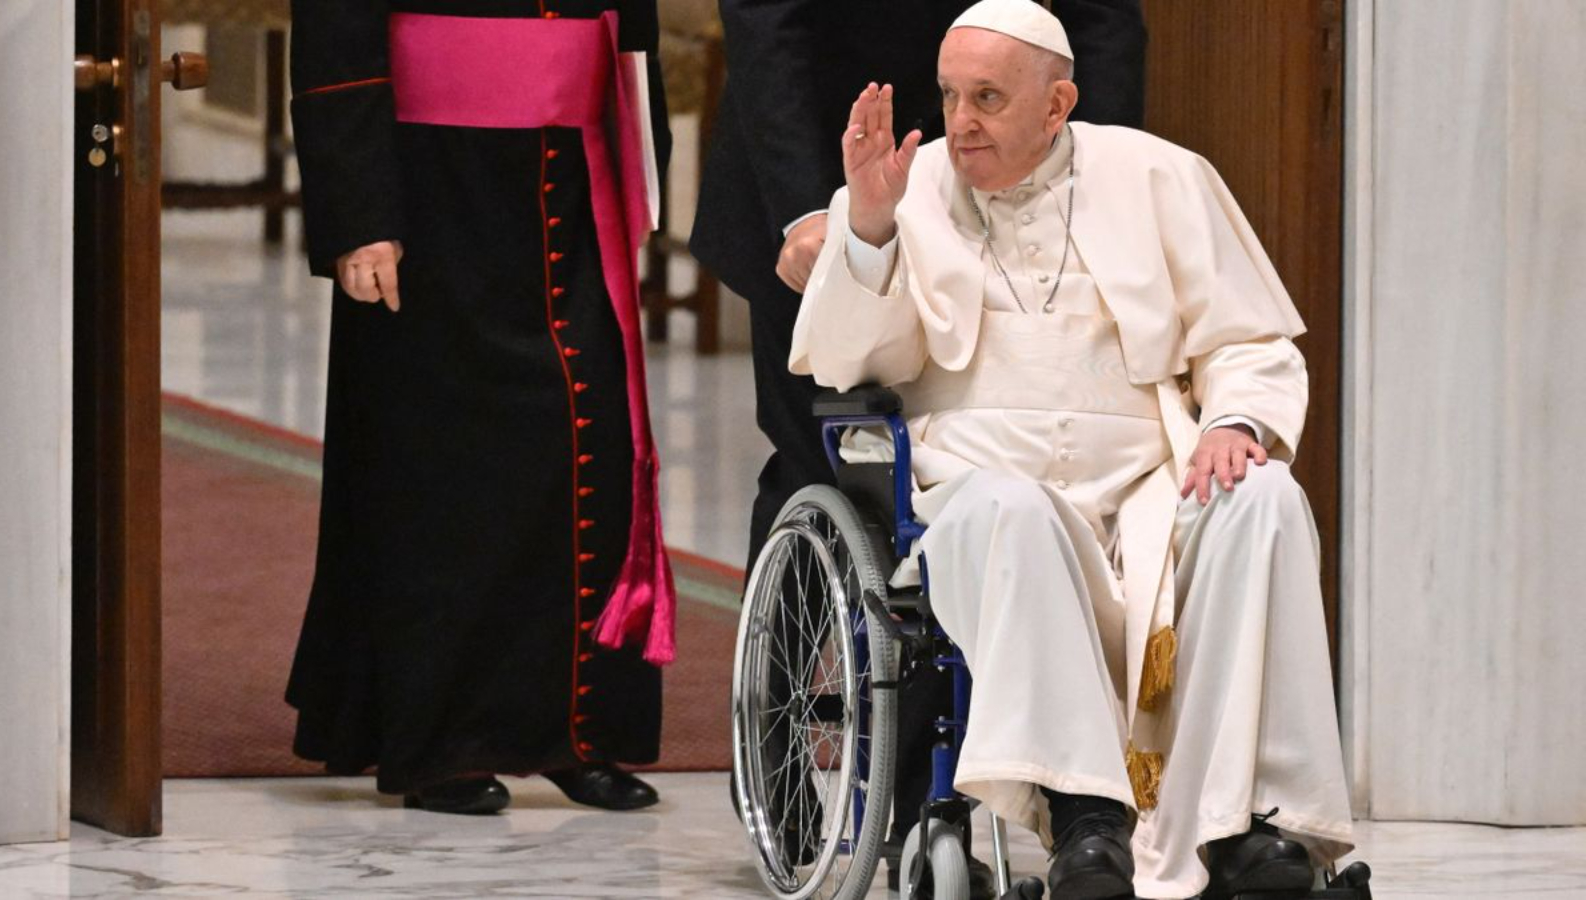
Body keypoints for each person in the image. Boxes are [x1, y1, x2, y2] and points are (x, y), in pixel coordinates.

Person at [788, 1, 1354, 897]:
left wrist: (1234, 424)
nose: (960, 121)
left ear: (1058, 106)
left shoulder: (1160, 175)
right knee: (1012, 510)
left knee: (1265, 498)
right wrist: (868, 230)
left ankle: (1251, 823)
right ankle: (1086, 820)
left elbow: (1248, 342)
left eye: (988, 98)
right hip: (981, 484)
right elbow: (856, 360)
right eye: (949, 95)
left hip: (1150, 493)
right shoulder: (910, 183)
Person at [690, 0, 1146, 890]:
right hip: (827, 178)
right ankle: (808, 784)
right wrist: (805, 215)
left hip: (1010, 186)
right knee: (822, 464)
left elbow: (1104, 24)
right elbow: (770, 29)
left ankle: (1033, 788)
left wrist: (1096, 182)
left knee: (977, 470)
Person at [284, 0, 677, 816]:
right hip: (431, 186)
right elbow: (335, 26)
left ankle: (580, 733)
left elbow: (630, 21)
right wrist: (361, 216)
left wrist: (642, 151)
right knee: (447, 470)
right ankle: (445, 742)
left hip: (576, 168)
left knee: (589, 443)